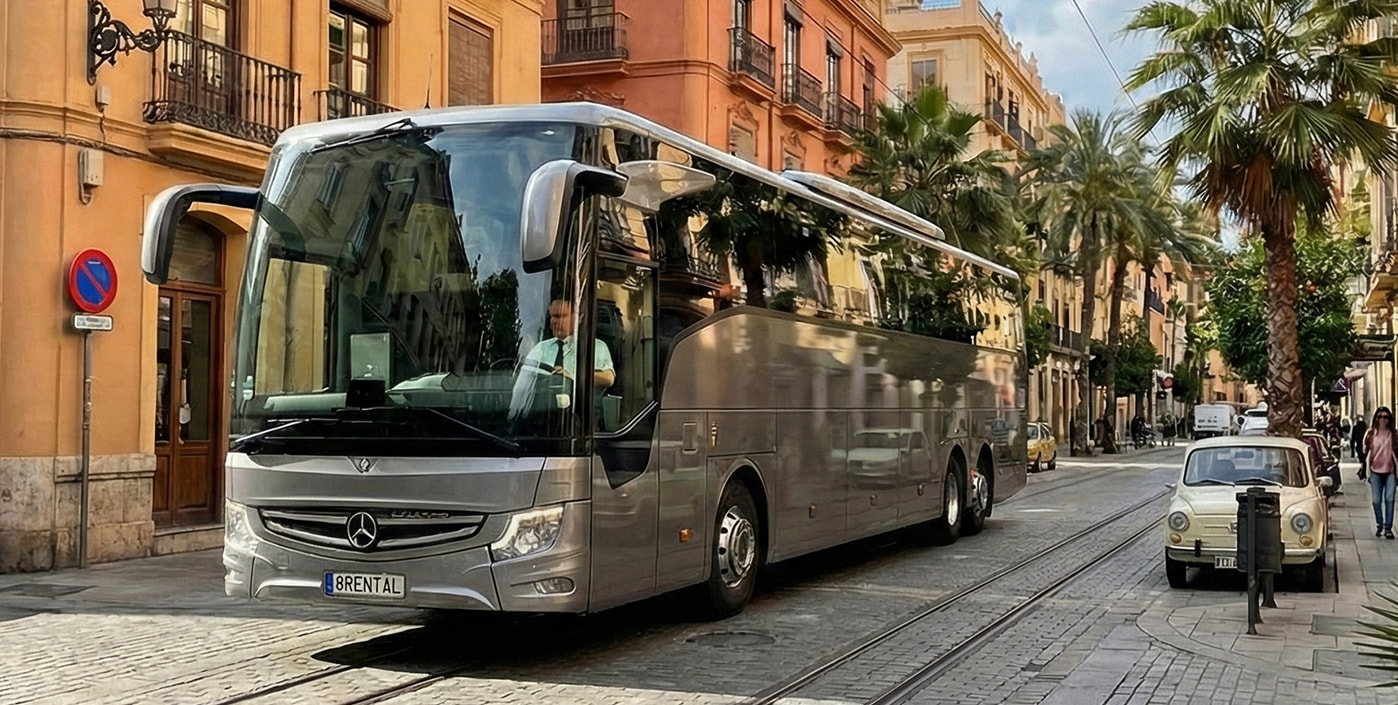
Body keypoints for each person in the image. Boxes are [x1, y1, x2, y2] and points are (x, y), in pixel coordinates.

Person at [509, 299, 615, 419]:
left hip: (580, 418)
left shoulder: (594, 347)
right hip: (539, 417)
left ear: (578, 317)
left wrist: (572, 377)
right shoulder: (540, 348)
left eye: (560, 316)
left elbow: (608, 378)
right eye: (552, 317)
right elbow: (523, 384)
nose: (553, 321)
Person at [1363, 407, 1397, 540]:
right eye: (1380, 417)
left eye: (1385, 417)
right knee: (1376, 501)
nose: (1383, 420)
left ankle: (1388, 528)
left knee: (1389, 499)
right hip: (1375, 470)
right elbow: (1364, 450)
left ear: (1389, 419)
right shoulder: (1371, 433)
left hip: (1391, 471)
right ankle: (1380, 524)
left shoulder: (1394, 434)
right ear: (1376, 419)